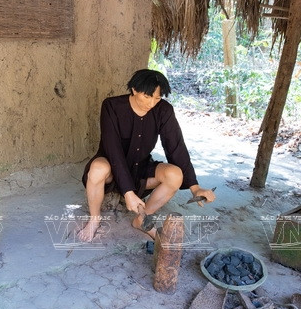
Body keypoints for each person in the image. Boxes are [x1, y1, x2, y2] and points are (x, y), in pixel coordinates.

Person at [77, 69, 216, 242]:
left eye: (157, 98)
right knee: (98, 168)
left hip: (141, 168)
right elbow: (113, 150)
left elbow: (176, 146)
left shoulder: (164, 110)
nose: (151, 103)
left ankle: (142, 219)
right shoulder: (112, 106)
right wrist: (128, 193)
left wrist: (195, 188)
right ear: (134, 90)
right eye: (147, 96)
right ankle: (94, 219)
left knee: (175, 174)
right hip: (111, 167)